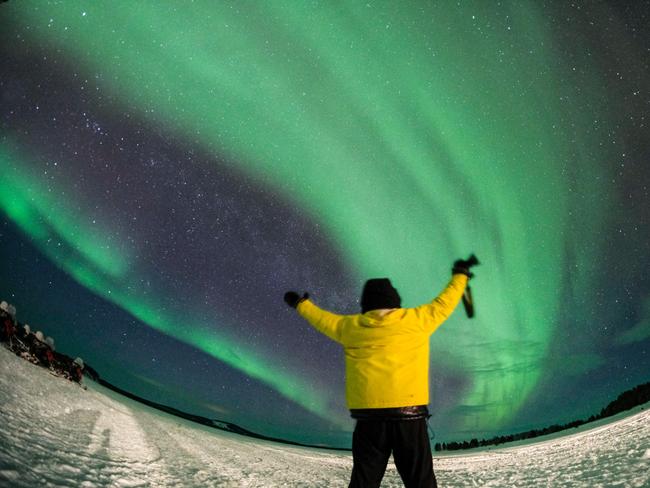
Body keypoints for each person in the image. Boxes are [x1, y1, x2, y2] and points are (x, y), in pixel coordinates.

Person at [283, 257, 477, 488]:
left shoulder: (349, 327)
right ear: (395, 301)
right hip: (409, 418)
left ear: (366, 304)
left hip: (369, 421)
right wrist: (461, 274)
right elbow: (447, 300)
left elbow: (320, 319)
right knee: (421, 482)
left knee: (364, 482)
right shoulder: (418, 320)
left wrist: (301, 304)